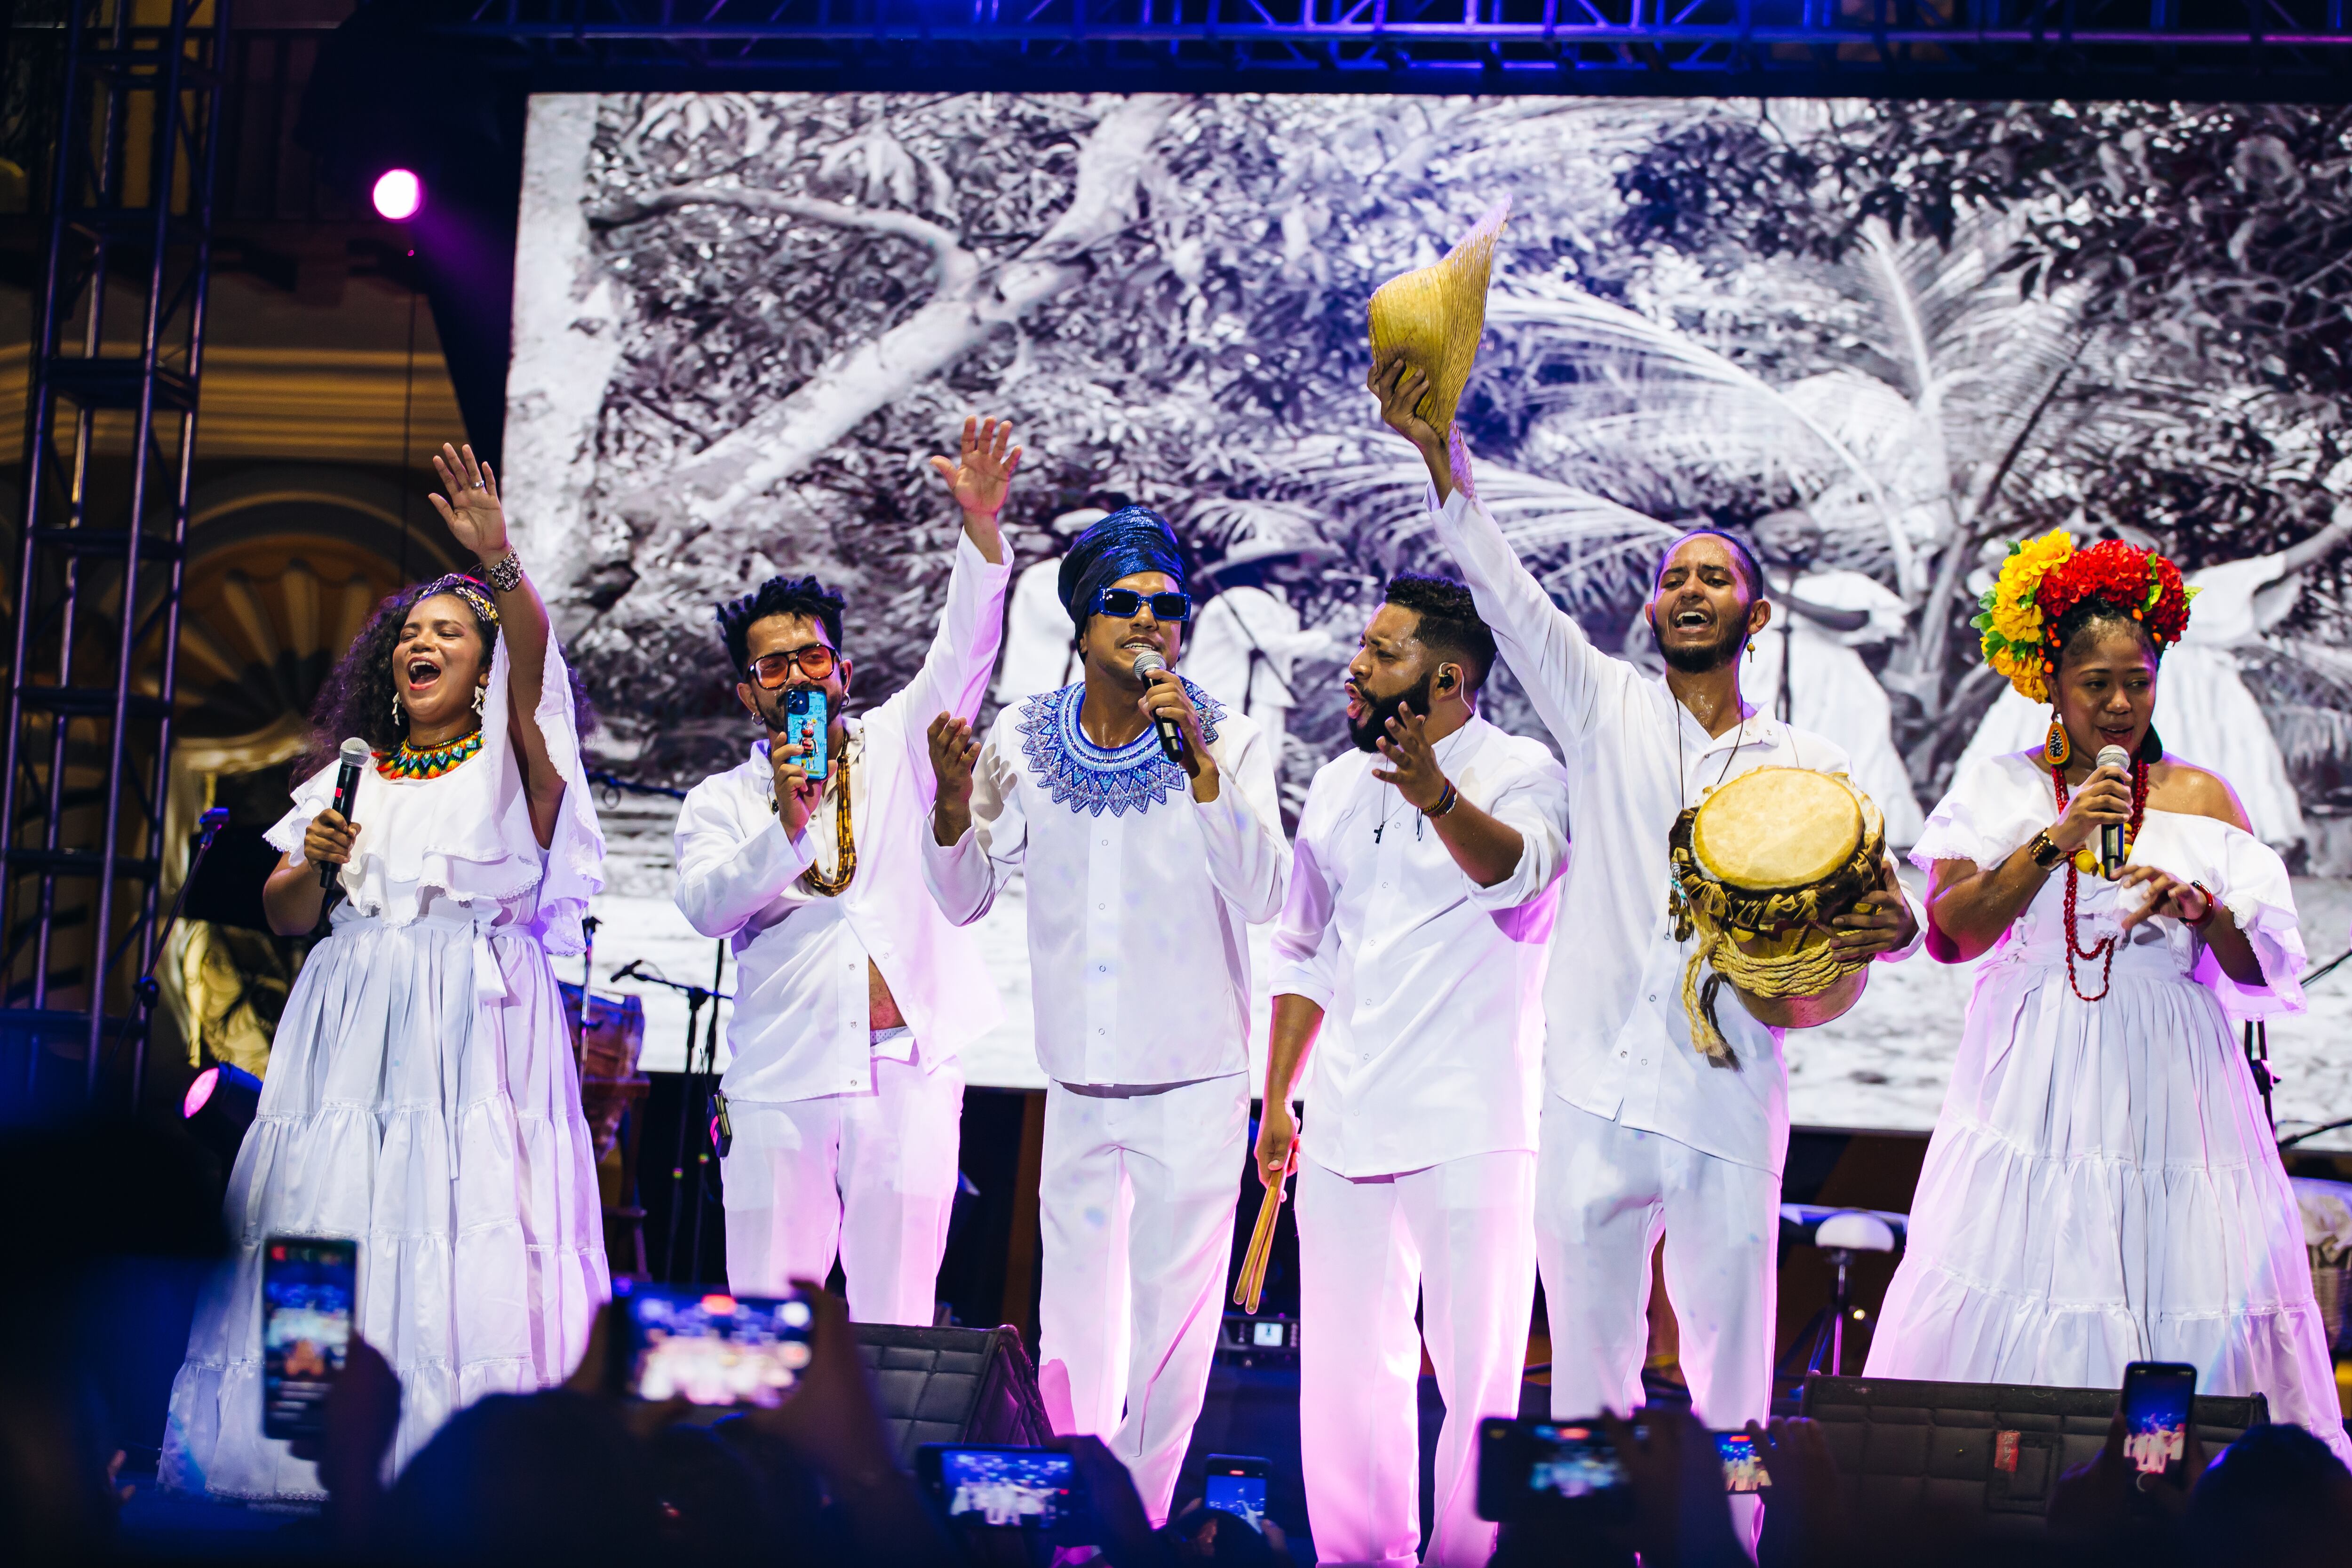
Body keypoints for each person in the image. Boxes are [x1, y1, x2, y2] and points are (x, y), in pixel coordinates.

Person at [1367, 359, 1922, 1475]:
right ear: (1653, 606)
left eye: (1714, 577)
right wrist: (1441, 456)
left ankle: (1737, 1540)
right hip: (1586, 1091)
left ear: (1752, 614)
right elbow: (1506, 590)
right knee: (1585, 1370)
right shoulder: (1604, 709)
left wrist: (1875, 933)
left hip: (1723, 1092)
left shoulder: (1805, 765)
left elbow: (1892, 916)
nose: (1689, 590)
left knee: (1728, 1370)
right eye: (1674, 577)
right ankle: (1586, 1541)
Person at [161, 444, 608, 1500]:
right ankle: (302, 1436)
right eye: (411, 632)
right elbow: (286, 910)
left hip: (470, 1010)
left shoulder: (513, 755)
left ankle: (460, 1447)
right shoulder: (345, 774)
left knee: (461, 1210)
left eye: (450, 634)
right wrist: (307, 865)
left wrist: (498, 563)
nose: (423, 642)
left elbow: (534, 649)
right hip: (349, 1012)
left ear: (487, 667)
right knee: (326, 1209)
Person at [1863, 531, 2352, 1465]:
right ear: (2050, 680)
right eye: (2095, 682)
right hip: (2032, 1077)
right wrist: (2056, 836)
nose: (2120, 702)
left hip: (2173, 1080)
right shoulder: (1999, 788)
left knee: (2175, 1287)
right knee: (2023, 1276)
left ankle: (2173, 1509)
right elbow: (1951, 932)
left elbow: (2260, 973)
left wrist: (2206, 913)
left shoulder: (2205, 797)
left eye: (2137, 678)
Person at [922, 507, 1289, 1523]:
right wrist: (952, 811)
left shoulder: (1231, 735)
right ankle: (1070, 1518)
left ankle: (1142, 1524)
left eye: (1167, 607)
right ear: (1081, 623)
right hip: (1078, 1083)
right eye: (1123, 604)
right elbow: (961, 897)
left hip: (1194, 1080)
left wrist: (1202, 765)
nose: (1149, 621)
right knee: (1072, 1323)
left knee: (1173, 1330)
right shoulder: (1021, 740)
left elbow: (1266, 894)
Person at [671, 417, 1019, 1323]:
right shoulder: (719, 801)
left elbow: (967, 644)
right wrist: (787, 820)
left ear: (843, 670)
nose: (796, 676)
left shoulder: (900, 739)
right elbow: (708, 909)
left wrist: (981, 528)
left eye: (812, 657)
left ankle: (881, 1471)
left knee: (897, 1316)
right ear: (746, 691)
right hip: (780, 1076)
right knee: (769, 1325)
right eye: (772, 664)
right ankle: (765, 1468)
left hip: (903, 1065)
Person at [1257, 573, 1570, 1567]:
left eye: (1381, 652)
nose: (1355, 665)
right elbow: (1306, 946)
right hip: (1345, 1116)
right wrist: (1277, 1099)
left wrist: (1434, 791)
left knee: (1475, 1377)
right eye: (1362, 645)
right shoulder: (1344, 782)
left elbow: (1520, 870)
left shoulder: (1523, 767)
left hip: (1474, 1120)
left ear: (1444, 679)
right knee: (1347, 1376)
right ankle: (1356, 1558)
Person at [1953, 498, 2352, 852]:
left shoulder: (2195, 595)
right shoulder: (2068, 620)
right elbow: (1994, 574)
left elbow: (2275, 567)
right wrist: (2072, 530)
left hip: (2192, 710)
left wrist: (2337, 530)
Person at [1746, 507, 1926, 848]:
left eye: (1807, 533)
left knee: (1845, 748)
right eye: (1782, 532)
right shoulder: (1741, 586)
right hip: (1762, 672)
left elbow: (1855, 620)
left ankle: (1854, 831)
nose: (1795, 540)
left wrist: (1782, 597)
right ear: (1758, 542)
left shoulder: (1844, 583)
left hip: (1834, 679)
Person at [1181, 514, 1335, 766]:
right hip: (1235, 700)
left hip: (1258, 695)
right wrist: (1322, 639)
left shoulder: (1267, 599)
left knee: (1257, 768)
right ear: (1265, 568)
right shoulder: (1243, 597)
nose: (1298, 570)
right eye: (1289, 563)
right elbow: (1265, 643)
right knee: (1243, 768)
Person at [993, 504, 1114, 708]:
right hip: (1035, 692)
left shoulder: (1100, 578)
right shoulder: (1043, 575)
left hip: (1074, 696)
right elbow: (1069, 623)